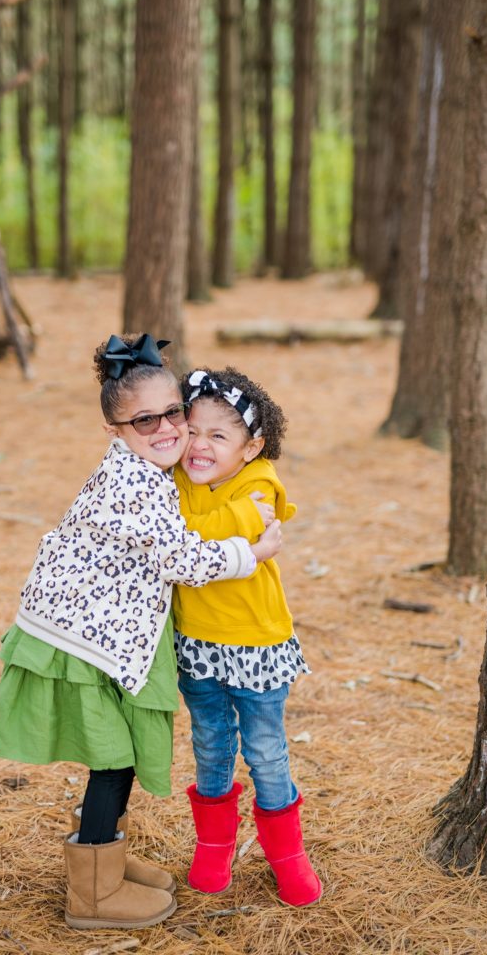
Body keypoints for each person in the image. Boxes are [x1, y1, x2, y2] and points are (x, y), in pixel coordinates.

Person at [0, 336, 283, 931]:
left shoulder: (146, 468)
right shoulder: (136, 482)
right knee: (113, 757)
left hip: (101, 629)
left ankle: (108, 861)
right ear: (114, 429)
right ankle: (93, 893)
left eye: (174, 412)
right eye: (145, 420)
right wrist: (252, 552)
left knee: (114, 756)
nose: (167, 428)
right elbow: (182, 559)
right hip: (79, 641)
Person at [173, 366, 322, 907]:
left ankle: (287, 854)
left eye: (219, 435)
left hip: (256, 642)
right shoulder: (175, 479)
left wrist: (203, 527)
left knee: (265, 750)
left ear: (252, 446)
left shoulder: (260, 482)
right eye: (192, 430)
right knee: (211, 743)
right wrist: (221, 522)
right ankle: (214, 845)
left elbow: (196, 533)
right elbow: (179, 536)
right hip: (197, 640)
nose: (200, 445)